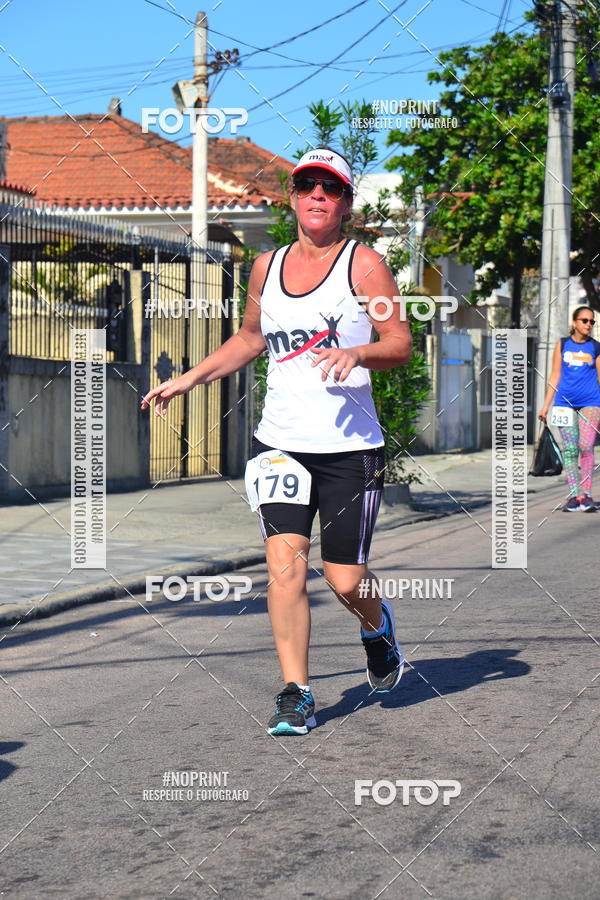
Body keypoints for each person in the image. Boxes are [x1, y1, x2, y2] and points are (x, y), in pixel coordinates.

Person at [141, 147, 412, 735]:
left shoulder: (364, 266)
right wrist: (188, 379)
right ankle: (296, 691)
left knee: (344, 579)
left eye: (331, 188)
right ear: (292, 197)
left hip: (348, 449)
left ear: (345, 203)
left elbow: (399, 342)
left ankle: (376, 624)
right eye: (308, 185)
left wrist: (357, 351)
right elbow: (248, 338)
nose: (318, 195)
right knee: (284, 569)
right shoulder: (266, 267)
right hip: (280, 444)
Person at [538, 305, 600, 512]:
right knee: (571, 450)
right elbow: (555, 375)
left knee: (586, 445)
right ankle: (575, 496)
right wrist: (546, 405)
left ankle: (588, 495)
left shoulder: (596, 347)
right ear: (574, 323)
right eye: (585, 320)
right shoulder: (563, 344)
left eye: (592, 321)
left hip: (591, 402)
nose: (589, 325)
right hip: (564, 404)